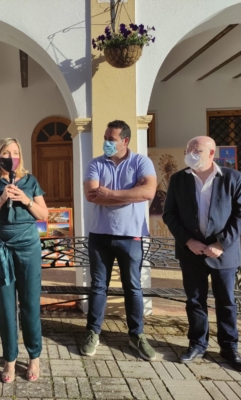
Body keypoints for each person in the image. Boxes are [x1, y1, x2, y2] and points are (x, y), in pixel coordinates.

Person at [163, 136, 241, 372]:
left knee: (226, 302)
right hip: (192, 252)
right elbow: (169, 214)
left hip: (223, 253)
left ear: (211, 153)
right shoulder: (179, 179)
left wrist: (221, 243)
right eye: (188, 148)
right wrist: (188, 241)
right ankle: (197, 343)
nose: (191, 152)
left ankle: (229, 347)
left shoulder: (233, 178)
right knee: (195, 301)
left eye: (197, 149)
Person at [82, 120, 157, 361]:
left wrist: (111, 193)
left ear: (125, 141)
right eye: (105, 137)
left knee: (132, 287)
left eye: (111, 139)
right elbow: (92, 195)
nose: (106, 142)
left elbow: (147, 193)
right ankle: (93, 332)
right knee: (98, 286)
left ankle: (137, 335)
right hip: (100, 235)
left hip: (131, 235)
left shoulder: (141, 162)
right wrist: (130, 194)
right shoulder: (96, 163)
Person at [0, 138, 48, 383]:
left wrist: (25, 200)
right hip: (0, 248)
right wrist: (1, 198)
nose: (11, 156)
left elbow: (44, 215)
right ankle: (9, 359)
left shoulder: (30, 181)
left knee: (29, 303)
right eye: (6, 152)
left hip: (28, 247)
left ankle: (34, 356)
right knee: (6, 305)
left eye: (15, 152)